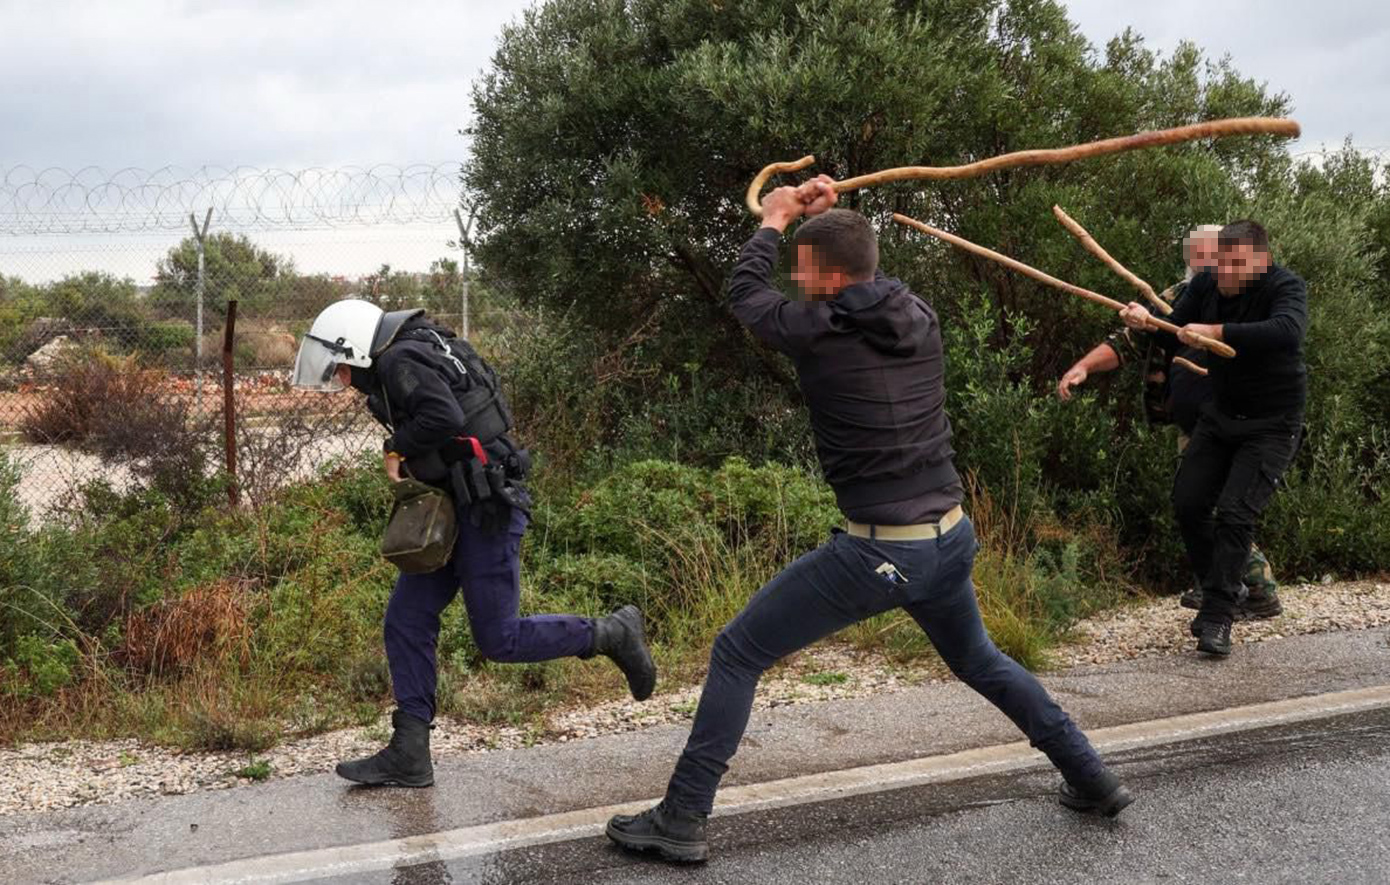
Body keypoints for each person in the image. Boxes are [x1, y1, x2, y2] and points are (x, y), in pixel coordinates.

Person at [605, 178, 1132, 865]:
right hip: (949, 535)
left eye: (804, 268)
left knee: (738, 650)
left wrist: (774, 219)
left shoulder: (819, 331)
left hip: (884, 552)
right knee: (978, 659)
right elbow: (867, 275)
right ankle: (1090, 776)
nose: (795, 279)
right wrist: (823, 222)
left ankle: (680, 818)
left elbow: (745, 294)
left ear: (826, 275)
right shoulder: (918, 311)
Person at [292, 301, 656, 787]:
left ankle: (611, 633)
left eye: (340, 366)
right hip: (457, 500)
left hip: (487, 505)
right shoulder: (418, 347)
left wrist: (395, 445)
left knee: (499, 639)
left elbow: (441, 416)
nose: (339, 378)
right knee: (408, 617)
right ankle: (410, 751)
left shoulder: (400, 361)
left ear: (355, 348)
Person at [1057, 225, 1282, 620]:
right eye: (1192, 254)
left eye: (1206, 254)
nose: (1197, 262)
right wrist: (1084, 367)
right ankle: (1219, 583)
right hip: (1195, 424)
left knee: (1222, 506)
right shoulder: (1177, 298)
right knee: (1195, 502)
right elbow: (1128, 342)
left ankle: (1254, 589)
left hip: (1239, 422)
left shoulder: (1253, 299)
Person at [1118, 220, 1306, 656]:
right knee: (1188, 502)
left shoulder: (1286, 287)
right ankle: (1225, 588)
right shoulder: (1205, 284)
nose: (1225, 274)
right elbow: (1175, 331)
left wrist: (1215, 332)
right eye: (1221, 264)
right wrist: (1145, 323)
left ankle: (1219, 615)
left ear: (1262, 260)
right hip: (1220, 417)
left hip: (1272, 423)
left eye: (1236, 265)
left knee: (1237, 513)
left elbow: (1286, 331)